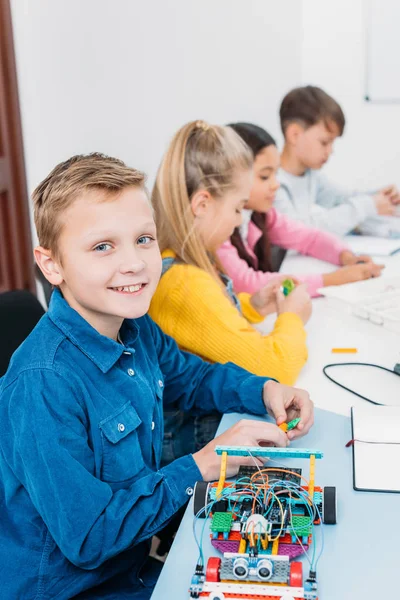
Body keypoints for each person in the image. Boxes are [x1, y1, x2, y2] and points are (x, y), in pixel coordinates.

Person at [0, 153, 314, 599]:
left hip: (132, 560)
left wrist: (264, 389)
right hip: (73, 588)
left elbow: (193, 377)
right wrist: (203, 463)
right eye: (102, 246)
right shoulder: (42, 383)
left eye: (143, 239)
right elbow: (88, 538)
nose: (134, 263)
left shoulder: (135, 326)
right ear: (52, 265)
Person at [217, 122, 384, 298]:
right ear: (231, 177)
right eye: (265, 176)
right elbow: (249, 285)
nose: (276, 185)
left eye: (276, 174)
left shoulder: (261, 215)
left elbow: (308, 237)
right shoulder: (217, 231)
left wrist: (346, 257)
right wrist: (331, 280)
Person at [274, 85, 400, 237]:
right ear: (294, 135)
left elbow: (340, 198)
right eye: (324, 142)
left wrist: (378, 196)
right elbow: (300, 230)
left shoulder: (311, 175)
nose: (330, 151)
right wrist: (367, 205)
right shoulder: (272, 182)